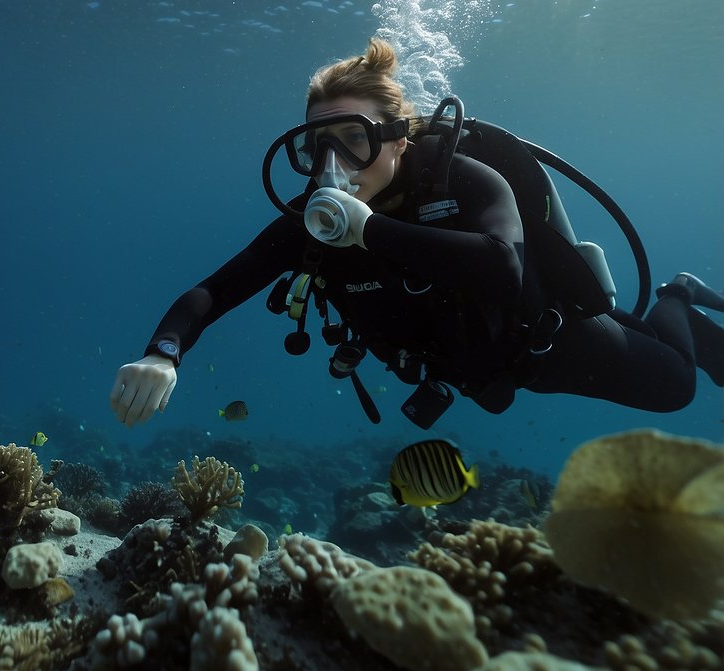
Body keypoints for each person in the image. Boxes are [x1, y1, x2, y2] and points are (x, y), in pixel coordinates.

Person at [109, 38, 724, 428]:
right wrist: (162, 353)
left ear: (399, 138)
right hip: (467, 367)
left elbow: (499, 267)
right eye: (317, 146)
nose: (333, 165)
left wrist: (371, 233)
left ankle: (678, 295)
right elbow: (213, 291)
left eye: (353, 138)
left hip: (544, 343)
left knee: (675, 387)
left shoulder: (463, 179)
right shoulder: (311, 222)